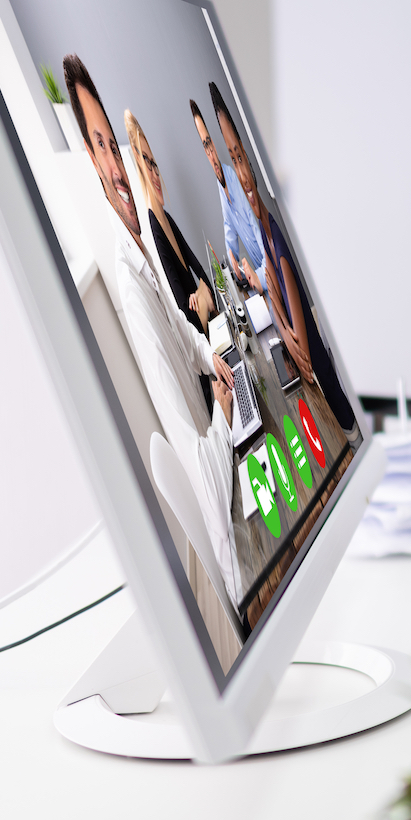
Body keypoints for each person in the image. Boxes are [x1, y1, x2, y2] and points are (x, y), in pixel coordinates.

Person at [64, 55, 245, 607]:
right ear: (90, 162)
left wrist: (207, 357)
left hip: (239, 492)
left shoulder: (143, 236)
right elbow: (209, 494)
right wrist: (223, 409)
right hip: (239, 561)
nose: (120, 167)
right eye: (102, 147)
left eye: (113, 145)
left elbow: (183, 329)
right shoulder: (130, 289)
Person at [207, 81, 355, 437]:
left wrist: (289, 334)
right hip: (326, 393)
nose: (239, 174)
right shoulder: (261, 229)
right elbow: (273, 294)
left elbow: (304, 358)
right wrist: (282, 325)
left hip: (343, 418)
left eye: (239, 156)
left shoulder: (274, 238)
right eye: (231, 159)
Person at [126, 109, 217, 335]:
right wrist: (201, 296)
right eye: (147, 163)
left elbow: (203, 274)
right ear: (139, 166)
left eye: (155, 163)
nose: (155, 174)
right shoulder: (155, 229)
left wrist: (203, 296)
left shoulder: (166, 219)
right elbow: (190, 319)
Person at [192, 97, 266, 298]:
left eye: (209, 143)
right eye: (204, 147)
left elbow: (257, 227)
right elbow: (229, 227)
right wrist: (233, 260)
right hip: (261, 276)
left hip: (272, 268)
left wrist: (260, 276)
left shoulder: (233, 177)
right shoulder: (221, 185)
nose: (210, 152)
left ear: (214, 144)